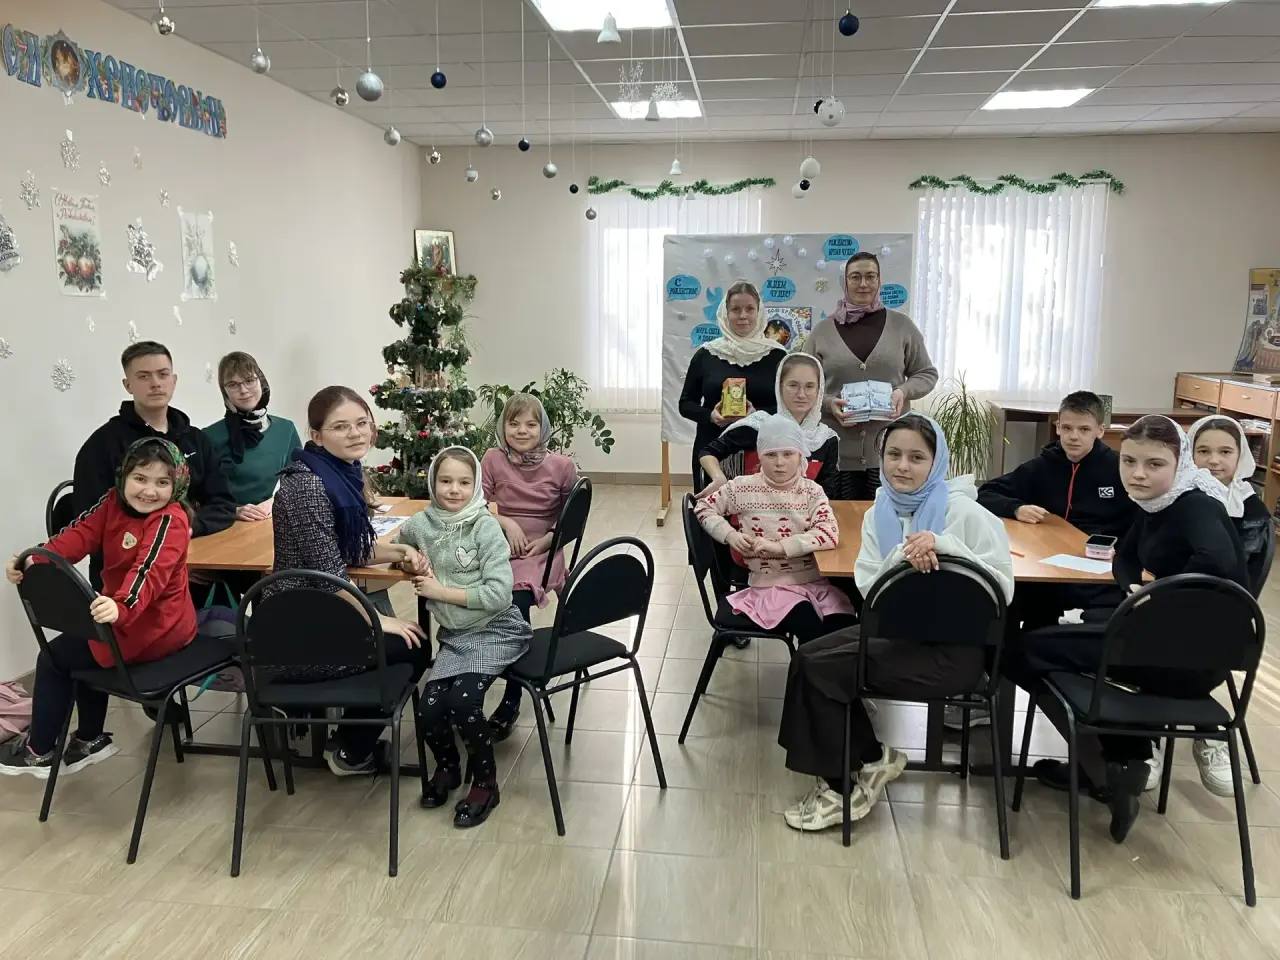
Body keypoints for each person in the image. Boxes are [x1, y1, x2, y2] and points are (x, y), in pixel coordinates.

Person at [1012, 416, 1249, 839]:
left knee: (1021, 649)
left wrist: (1156, 594)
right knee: (1053, 640)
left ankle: (1114, 763)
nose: (1138, 474)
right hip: (1163, 643)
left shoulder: (1194, 505)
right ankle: (1117, 759)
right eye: (1129, 462)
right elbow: (1124, 556)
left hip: (1186, 659)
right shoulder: (1157, 504)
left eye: (1154, 464)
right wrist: (1135, 588)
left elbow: (1216, 563)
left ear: (1180, 464)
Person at [777, 414, 1015, 832]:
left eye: (917, 458)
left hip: (952, 655)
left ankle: (841, 789)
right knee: (808, 657)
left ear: (937, 462)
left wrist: (945, 547)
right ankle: (871, 758)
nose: (902, 466)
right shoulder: (879, 512)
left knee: (822, 670)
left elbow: (1003, 588)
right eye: (894, 455)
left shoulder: (965, 513)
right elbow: (869, 586)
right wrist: (903, 559)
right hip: (896, 636)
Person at [1, 439, 207, 776]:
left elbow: (148, 572)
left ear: (178, 486)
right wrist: (32, 560)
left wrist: (121, 605)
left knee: (54, 658)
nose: (149, 491)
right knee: (83, 641)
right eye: (140, 478)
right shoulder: (113, 501)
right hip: (121, 618)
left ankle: (39, 751)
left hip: (158, 628)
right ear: (124, 476)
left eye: (162, 482)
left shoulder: (170, 520)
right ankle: (89, 739)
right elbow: (77, 535)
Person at [269, 385, 430, 777]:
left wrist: (399, 552)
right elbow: (329, 578)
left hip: (318, 612)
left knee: (407, 639)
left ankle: (342, 736)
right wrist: (379, 621)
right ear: (316, 435)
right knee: (415, 646)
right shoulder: (306, 485)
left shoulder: (340, 472)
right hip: (297, 632)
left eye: (362, 423)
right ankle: (349, 752)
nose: (356, 433)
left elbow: (349, 549)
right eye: (341, 426)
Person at [967, 391, 1135, 729]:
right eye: (1067, 428)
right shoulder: (1045, 464)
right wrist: (1016, 507)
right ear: (1057, 427)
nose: (1073, 437)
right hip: (1046, 568)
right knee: (998, 602)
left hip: (1099, 575)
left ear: (1100, 430)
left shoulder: (1119, 468)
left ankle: (1070, 695)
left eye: (1084, 429)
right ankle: (990, 690)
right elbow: (987, 493)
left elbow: (1139, 518)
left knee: (1068, 629)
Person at [398, 447, 532, 829]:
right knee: (428, 709)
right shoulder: (422, 523)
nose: (454, 490)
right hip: (456, 635)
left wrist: (440, 592)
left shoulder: (484, 527)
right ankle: (449, 767)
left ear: (476, 486)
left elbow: (499, 594)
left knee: (463, 702)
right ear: (432, 482)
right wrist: (407, 555)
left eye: (463, 482)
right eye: (445, 481)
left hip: (496, 629)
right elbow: (400, 545)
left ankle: (486, 785)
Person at [73, 343, 236, 580]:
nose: (156, 383)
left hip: (196, 561)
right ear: (128, 385)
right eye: (143, 376)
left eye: (163, 374)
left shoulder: (196, 440)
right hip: (126, 573)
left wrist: (188, 530)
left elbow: (223, 503)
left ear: (174, 380)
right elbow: (91, 522)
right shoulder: (102, 445)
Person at [693, 415, 855, 643]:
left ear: (800, 455)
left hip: (814, 583)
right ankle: (811, 665)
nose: (779, 462)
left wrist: (780, 547)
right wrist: (729, 535)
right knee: (811, 629)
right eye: (771, 454)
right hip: (769, 587)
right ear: (760, 456)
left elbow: (828, 533)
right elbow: (703, 508)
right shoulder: (742, 488)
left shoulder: (812, 491)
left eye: (788, 454)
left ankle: (821, 665)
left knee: (846, 627)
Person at [800, 253, 938, 500]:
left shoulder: (902, 326)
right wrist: (829, 403)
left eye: (870, 276)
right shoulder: (822, 332)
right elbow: (804, 386)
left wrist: (903, 391)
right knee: (840, 517)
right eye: (855, 277)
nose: (863, 284)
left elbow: (926, 373)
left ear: (879, 281)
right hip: (836, 451)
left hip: (890, 452)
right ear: (845, 282)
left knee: (887, 518)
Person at [479, 393, 576, 741]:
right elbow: (478, 504)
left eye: (531, 424)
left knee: (514, 602)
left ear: (543, 427)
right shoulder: (492, 459)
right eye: (513, 423)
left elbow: (573, 517)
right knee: (470, 599)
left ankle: (512, 697)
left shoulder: (562, 466)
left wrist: (549, 540)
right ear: (502, 427)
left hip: (543, 549)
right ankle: (467, 685)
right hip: (498, 543)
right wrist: (506, 522)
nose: (521, 430)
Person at [679, 281, 785, 487]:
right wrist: (710, 416)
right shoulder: (706, 354)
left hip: (763, 451)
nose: (743, 315)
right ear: (725, 313)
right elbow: (685, 404)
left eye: (749, 309)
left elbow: (787, 408)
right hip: (712, 452)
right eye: (736, 309)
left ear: (759, 312)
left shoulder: (778, 356)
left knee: (758, 507)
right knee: (712, 506)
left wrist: (758, 415)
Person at [695, 351, 839, 500]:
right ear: (779, 387)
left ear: (819, 390)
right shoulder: (758, 426)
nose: (801, 394)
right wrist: (718, 477)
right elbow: (708, 452)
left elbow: (827, 494)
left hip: (805, 513)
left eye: (809, 386)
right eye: (793, 385)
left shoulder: (825, 438)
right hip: (751, 510)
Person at [202, 351, 302, 522]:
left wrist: (276, 501)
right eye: (233, 384)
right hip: (226, 525)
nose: (243, 390)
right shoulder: (209, 436)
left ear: (261, 381)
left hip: (270, 520)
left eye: (249, 380)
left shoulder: (286, 429)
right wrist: (233, 511)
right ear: (224, 392)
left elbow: (299, 480)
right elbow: (198, 496)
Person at [1190, 415, 1272, 594]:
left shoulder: (1251, 509)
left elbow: (1229, 568)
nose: (1214, 460)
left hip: (1222, 598)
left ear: (1240, 456)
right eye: (1203, 451)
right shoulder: (1179, 495)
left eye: (1225, 452)